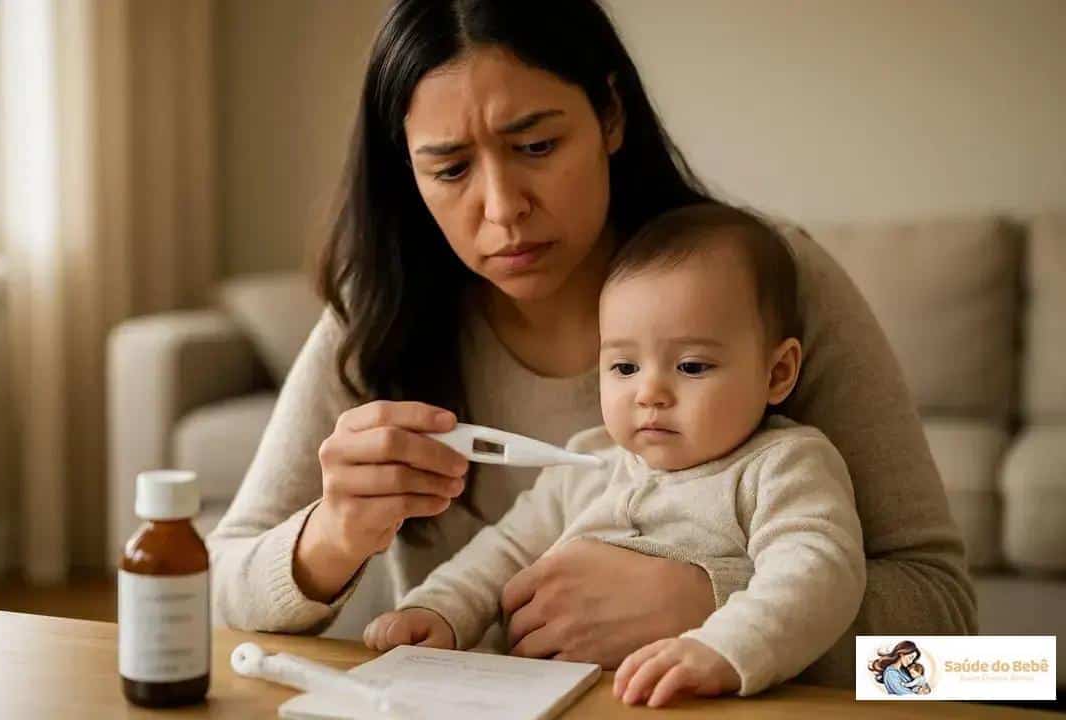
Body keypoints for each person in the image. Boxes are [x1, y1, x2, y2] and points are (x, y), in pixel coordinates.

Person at [207, 0, 975, 688]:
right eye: (449, 168)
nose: (503, 209)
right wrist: (331, 536)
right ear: (407, 171)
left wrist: (714, 605)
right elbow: (222, 586)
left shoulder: (769, 284)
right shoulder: (381, 318)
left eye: (537, 146)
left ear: (610, 114)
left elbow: (961, 648)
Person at [362, 204, 867, 707]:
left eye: (691, 366)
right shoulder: (587, 464)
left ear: (777, 373)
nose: (649, 393)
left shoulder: (782, 466)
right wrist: (439, 610)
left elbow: (818, 572)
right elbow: (502, 552)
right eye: (624, 367)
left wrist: (724, 648)